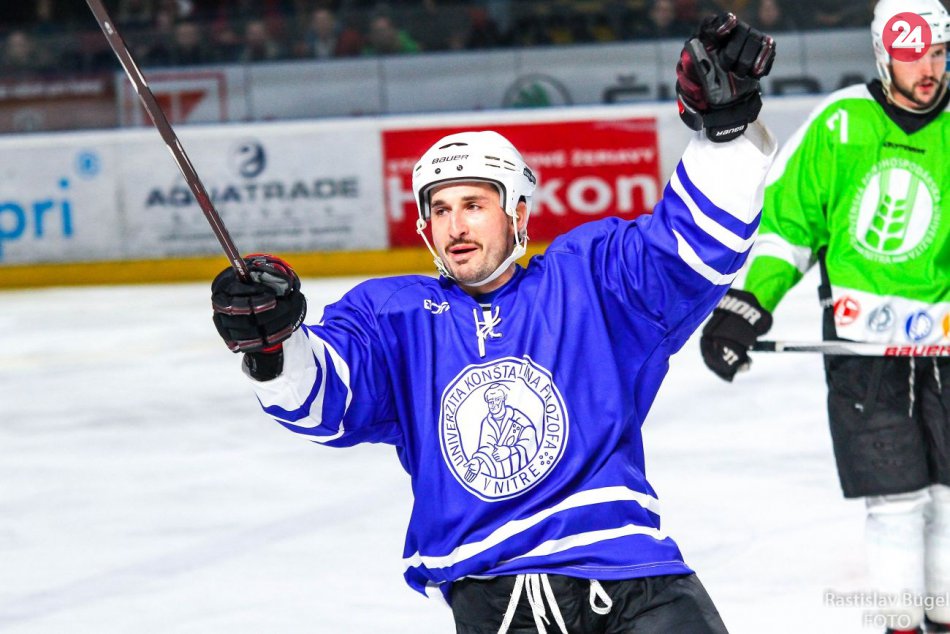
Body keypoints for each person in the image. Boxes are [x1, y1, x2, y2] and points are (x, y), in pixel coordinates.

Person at [211, 13, 776, 633]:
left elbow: (692, 246)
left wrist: (725, 133)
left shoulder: (589, 281)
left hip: (631, 582)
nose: (455, 226)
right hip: (495, 603)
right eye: (440, 210)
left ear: (517, 215)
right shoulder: (393, 318)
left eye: (474, 205)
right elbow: (323, 396)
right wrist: (273, 346)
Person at [699, 0, 950, 632]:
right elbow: (789, 229)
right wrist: (747, 305)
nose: (928, 69)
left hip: (946, 351)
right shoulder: (840, 124)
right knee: (895, 503)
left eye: (938, 53)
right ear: (883, 55)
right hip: (863, 352)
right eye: (913, 56)